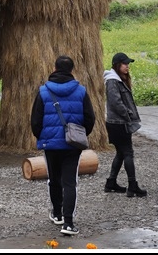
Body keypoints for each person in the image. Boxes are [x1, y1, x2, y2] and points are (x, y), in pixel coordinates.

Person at [30, 55, 96, 235]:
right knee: (70, 182)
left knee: (53, 180)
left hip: (50, 144)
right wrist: (79, 135)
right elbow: (90, 118)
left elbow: (35, 120)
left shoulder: (44, 91)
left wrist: (43, 136)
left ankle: (57, 214)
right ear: (71, 70)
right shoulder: (81, 91)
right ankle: (68, 223)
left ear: (55, 68)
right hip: (72, 145)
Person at [103, 52, 147, 198]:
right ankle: (132, 186)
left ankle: (111, 182)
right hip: (118, 123)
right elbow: (115, 102)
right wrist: (128, 114)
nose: (127, 66)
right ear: (117, 65)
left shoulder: (117, 80)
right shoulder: (112, 81)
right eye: (125, 64)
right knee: (128, 153)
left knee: (121, 153)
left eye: (128, 64)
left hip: (117, 122)